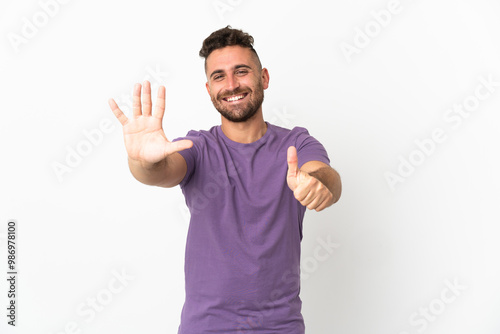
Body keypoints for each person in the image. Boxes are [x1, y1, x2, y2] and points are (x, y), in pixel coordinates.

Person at [108, 26, 341, 334]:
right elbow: (160, 171)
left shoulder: (296, 144)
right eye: (219, 76)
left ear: (264, 78)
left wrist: (315, 181)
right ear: (209, 89)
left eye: (241, 72)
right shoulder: (198, 148)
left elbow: (326, 177)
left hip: (280, 326)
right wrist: (141, 159)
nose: (231, 85)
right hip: (205, 327)